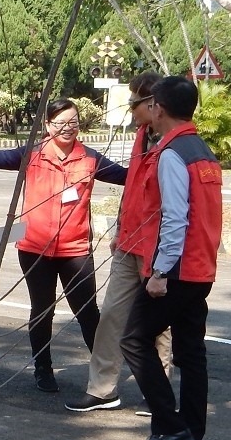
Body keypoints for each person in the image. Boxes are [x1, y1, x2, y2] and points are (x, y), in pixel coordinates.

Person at [0, 99, 127, 393]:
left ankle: (103, 374)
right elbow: (1, 157)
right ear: (47, 125)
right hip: (34, 247)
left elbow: (126, 176)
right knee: (42, 309)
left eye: (73, 122)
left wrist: (154, 164)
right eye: (60, 123)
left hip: (75, 249)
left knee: (88, 312)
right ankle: (43, 368)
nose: (68, 128)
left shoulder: (90, 159)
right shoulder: (34, 155)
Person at [123, 77, 222, 440]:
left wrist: (160, 271)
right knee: (191, 353)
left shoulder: (172, 153)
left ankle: (170, 428)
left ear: (158, 109)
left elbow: (176, 219)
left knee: (133, 338)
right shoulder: (203, 151)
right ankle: (191, 438)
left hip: (179, 268)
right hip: (202, 267)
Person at [66, 72, 172, 412]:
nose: (130, 109)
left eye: (134, 102)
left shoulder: (173, 142)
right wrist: (117, 229)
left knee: (157, 324)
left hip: (157, 245)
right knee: (112, 314)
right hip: (129, 241)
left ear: (153, 104)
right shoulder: (141, 135)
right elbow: (133, 187)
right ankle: (102, 388)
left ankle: (158, 390)